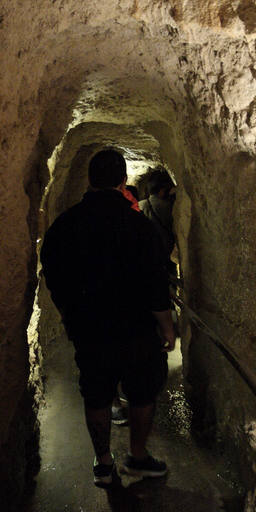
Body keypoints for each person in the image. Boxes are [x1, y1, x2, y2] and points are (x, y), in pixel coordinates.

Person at [40, 149, 176, 486]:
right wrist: (166, 327)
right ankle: (138, 457)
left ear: (89, 180)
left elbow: (54, 275)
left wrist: (69, 314)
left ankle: (103, 463)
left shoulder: (64, 226)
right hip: (137, 331)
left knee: (97, 393)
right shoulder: (139, 227)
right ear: (123, 181)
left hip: (89, 329)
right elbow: (155, 284)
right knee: (142, 393)